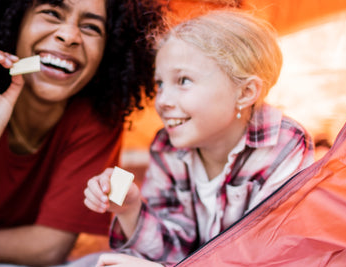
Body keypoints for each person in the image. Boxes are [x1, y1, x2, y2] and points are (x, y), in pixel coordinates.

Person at [0, 0, 164, 266]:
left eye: (91, 27)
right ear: (13, 22)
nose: (69, 36)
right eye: (51, 13)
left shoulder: (97, 119)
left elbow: (49, 247)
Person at [84, 9, 315, 266]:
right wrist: (130, 209)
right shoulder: (167, 147)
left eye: (183, 80)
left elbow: (266, 256)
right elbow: (173, 249)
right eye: (160, 84)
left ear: (246, 92)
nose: (162, 101)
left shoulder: (285, 146)